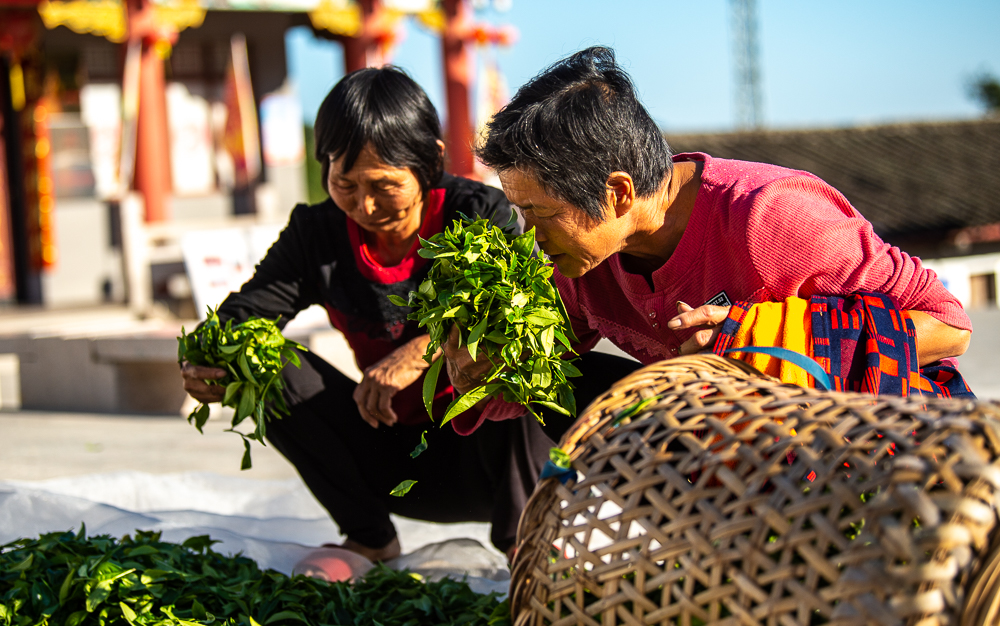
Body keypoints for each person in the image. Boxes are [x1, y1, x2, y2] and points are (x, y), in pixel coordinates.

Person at [443, 46, 971, 434]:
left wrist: (776, 338)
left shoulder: (769, 218)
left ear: (618, 193)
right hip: (733, 454)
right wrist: (485, 368)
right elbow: (538, 385)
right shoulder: (581, 263)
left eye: (540, 213)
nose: (531, 235)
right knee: (572, 393)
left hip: (875, 445)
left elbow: (949, 326)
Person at [179, 66, 553, 564]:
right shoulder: (317, 233)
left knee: (515, 354)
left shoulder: (481, 214)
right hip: (394, 463)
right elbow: (245, 314)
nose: (365, 205)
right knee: (264, 361)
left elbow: (529, 309)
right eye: (344, 184)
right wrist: (206, 357)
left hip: (491, 461)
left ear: (430, 162)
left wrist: (422, 351)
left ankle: (524, 546)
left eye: (384, 185)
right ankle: (369, 538)